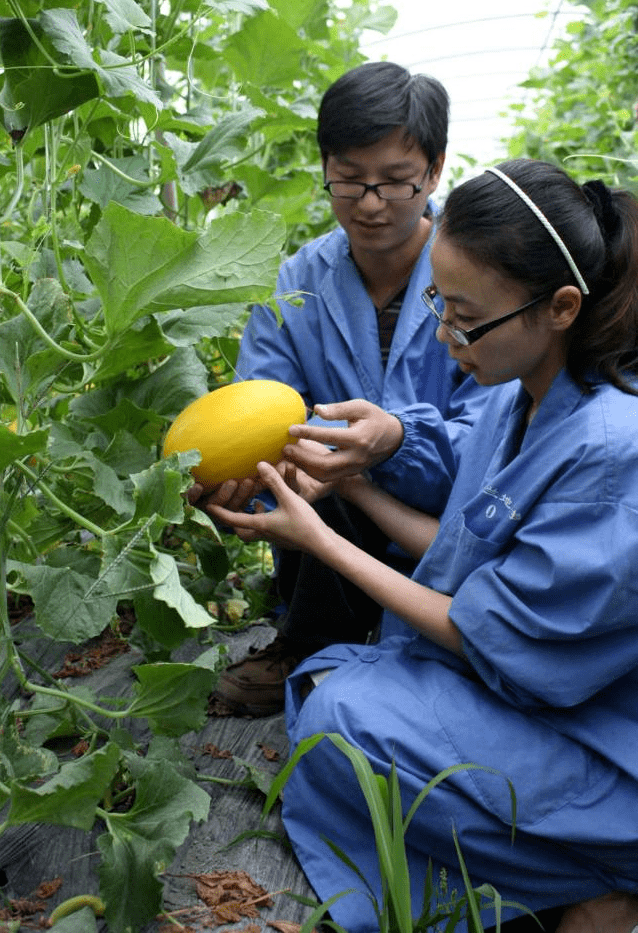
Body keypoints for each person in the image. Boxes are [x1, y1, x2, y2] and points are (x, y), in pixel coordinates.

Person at [208, 159, 638, 933]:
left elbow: (491, 633)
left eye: (463, 317)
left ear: (562, 306)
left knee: (340, 717)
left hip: (599, 745)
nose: (443, 335)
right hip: (528, 701)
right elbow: (463, 544)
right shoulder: (520, 393)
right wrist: (351, 484)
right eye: (437, 302)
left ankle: (598, 873)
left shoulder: (613, 448)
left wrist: (323, 543)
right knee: (334, 688)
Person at [207, 60, 513, 716]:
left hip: (449, 539)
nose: (370, 203)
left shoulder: (480, 279)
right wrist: (247, 479)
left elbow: (497, 437)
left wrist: (394, 442)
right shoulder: (296, 282)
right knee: (313, 479)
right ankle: (308, 643)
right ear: (325, 166)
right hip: (327, 538)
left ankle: (373, 655)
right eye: (349, 179)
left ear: (433, 171)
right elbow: (256, 401)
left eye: (395, 182)